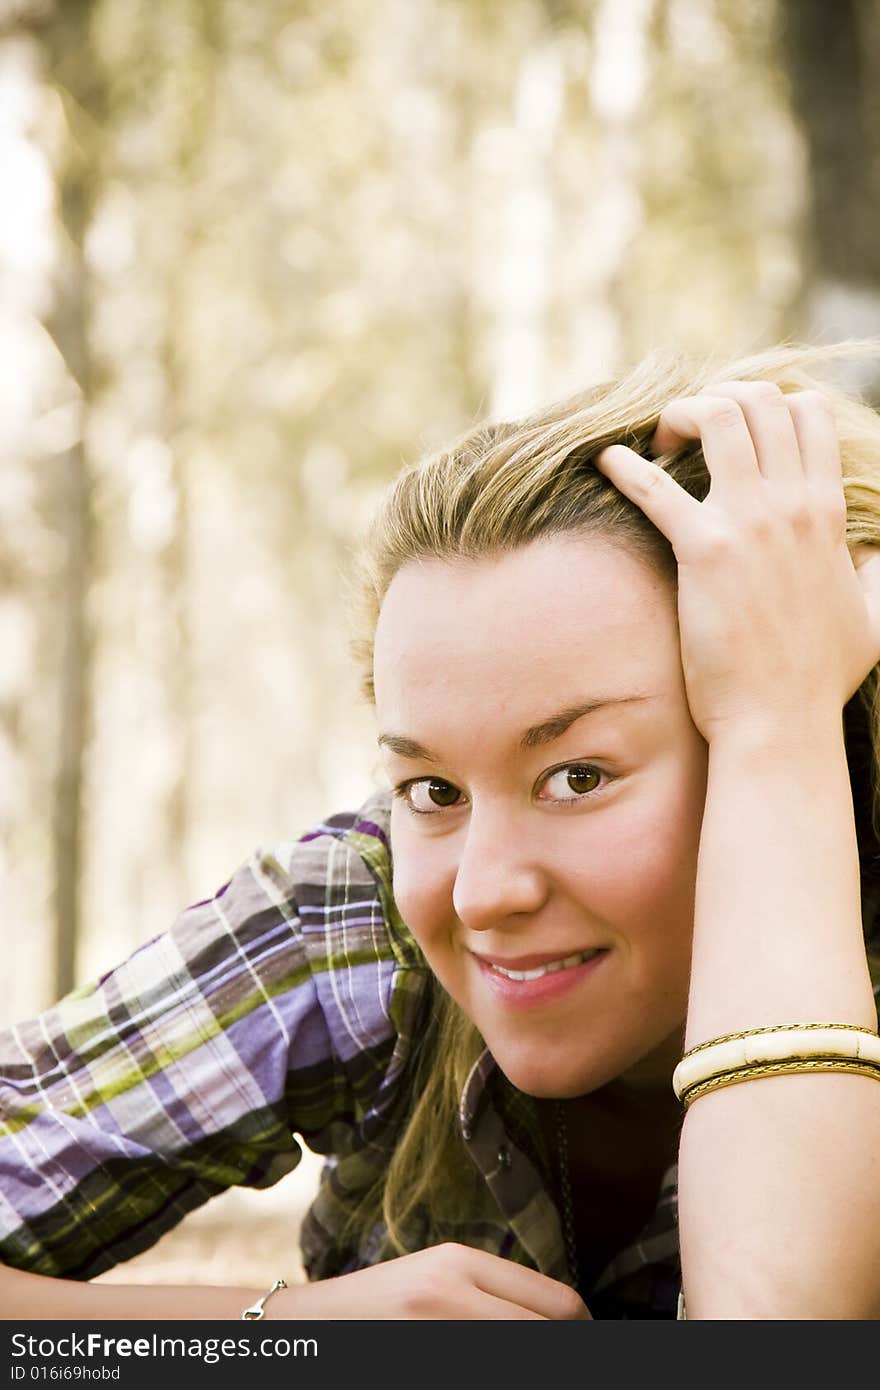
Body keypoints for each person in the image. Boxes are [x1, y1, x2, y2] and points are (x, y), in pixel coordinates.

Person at [3, 340, 880, 1321]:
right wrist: (286, 1335)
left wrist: (781, 721)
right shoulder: (351, 921)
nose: (478, 891)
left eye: (576, 775)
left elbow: (783, 1334)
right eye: (431, 789)